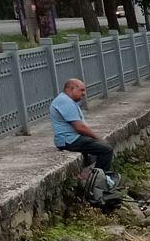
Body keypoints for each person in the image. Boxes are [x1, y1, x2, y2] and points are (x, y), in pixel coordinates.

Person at [48, 79, 122, 210]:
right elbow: (80, 127)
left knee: (95, 151)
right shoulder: (65, 102)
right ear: (70, 89)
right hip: (69, 140)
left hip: (73, 138)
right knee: (105, 150)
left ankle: (91, 179)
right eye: (81, 90)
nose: (84, 93)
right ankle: (99, 186)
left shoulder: (67, 101)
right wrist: (98, 138)